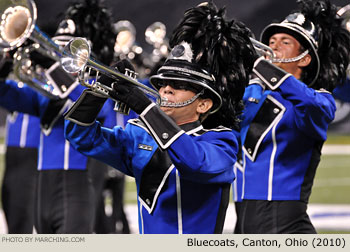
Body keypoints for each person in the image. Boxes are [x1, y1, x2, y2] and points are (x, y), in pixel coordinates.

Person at [64, 1, 255, 234]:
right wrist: (97, 91)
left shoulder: (222, 141)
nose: (166, 90)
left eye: (178, 85)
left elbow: (195, 163)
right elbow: (80, 136)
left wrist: (146, 109)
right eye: (162, 83)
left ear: (204, 103)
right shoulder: (139, 135)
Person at [0, 0, 116, 233]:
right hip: (42, 192)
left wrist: (54, 68)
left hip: (75, 193)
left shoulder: (96, 89)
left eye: (66, 54)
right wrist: (6, 64)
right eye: (55, 51)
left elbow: (94, 107)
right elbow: (4, 94)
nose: (59, 59)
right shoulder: (42, 96)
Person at [235, 0, 350, 233]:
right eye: (271, 42)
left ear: (305, 58)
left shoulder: (319, 99)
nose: (273, 47)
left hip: (285, 221)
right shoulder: (252, 93)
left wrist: (261, 66)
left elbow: (311, 104)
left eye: (285, 42)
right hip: (244, 217)